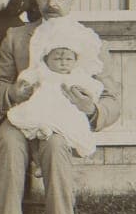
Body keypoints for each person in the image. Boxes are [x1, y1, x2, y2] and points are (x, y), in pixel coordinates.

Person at [0, 0, 122, 214]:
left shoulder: (88, 40)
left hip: (62, 119)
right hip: (21, 116)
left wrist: (91, 109)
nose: (51, 2)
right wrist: (13, 93)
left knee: (55, 145)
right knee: (9, 144)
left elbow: (112, 98)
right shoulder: (17, 36)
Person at [6, 19, 105, 158]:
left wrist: (90, 98)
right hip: (42, 106)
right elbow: (29, 75)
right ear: (47, 60)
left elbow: (93, 87)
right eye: (58, 59)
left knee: (71, 130)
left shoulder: (77, 75)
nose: (63, 63)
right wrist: (24, 83)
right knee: (29, 126)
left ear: (76, 61)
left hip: (65, 110)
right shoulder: (43, 71)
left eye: (68, 60)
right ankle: (37, 159)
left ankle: (71, 148)